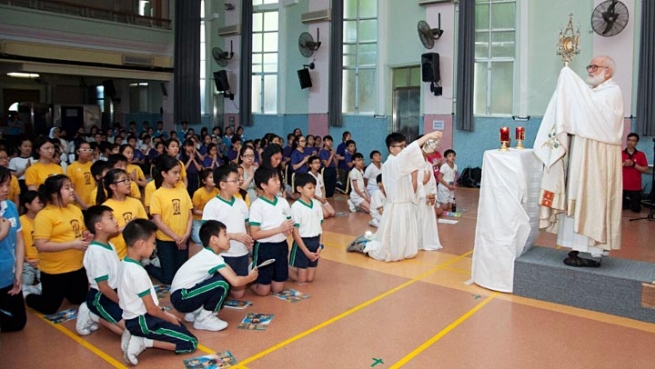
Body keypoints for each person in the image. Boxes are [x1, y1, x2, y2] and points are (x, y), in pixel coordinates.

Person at [534, 55, 624, 267]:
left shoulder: (612, 92)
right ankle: (577, 245)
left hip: (598, 158)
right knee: (577, 194)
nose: (590, 70)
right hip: (583, 154)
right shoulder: (593, 93)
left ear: (608, 71)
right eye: (589, 66)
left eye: (595, 67)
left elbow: (594, 113)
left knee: (593, 197)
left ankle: (592, 249)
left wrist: (568, 77)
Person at [119, 219, 197, 365]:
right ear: (141, 244)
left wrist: (166, 314)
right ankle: (143, 340)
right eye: (153, 243)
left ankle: (134, 333)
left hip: (136, 318)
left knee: (180, 327)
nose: (154, 247)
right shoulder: (137, 272)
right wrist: (168, 318)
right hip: (142, 320)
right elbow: (151, 309)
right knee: (190, 342)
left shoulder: (125, 263)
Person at [364, 130, 443, 262]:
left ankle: (405, 249)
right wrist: (428, 136)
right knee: (394, 241)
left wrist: (416, 180)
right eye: (400, 146)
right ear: (391, 148)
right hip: (397, 204)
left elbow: (411, 186)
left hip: (405, 203)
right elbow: (410, 152)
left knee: (406, 240)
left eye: (404, 145)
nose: (403, 149)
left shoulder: (400, 164)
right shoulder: (391, 163)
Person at [171, 220, 258, 331]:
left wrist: (248, 272)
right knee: (222, 283)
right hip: (182, 297)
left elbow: (232, 274)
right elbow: (235, 281)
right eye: (225, 234)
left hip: (182, 295)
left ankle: (193, 311)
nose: (228, 238)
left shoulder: (210, 256)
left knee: (221, 278)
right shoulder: (212, 258)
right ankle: (204, 318)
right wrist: (250, 277)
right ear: (214, 239)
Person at [26, 175, 93, 314]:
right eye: (67, 188)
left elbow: (81, 230)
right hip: (54, 271)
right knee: (49, 308)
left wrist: (87, 234)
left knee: (79, 299)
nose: (72, 191)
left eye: (71, 187)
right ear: (54, 194)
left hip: (76, 267)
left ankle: (64, 291)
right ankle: (28, 294)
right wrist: (72, 245)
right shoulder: (44, 215)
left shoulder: (75, 210)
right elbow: (41, 245)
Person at [77, 205, 128, 341]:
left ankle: (97, 315)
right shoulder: (96, 252)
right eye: (111, 218)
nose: (116, 221)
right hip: (101, 297)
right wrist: (121, 303)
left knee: (134, 326)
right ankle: (92, 314)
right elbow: (103, 287)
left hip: (114, 292)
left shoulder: (109, 245)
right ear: (99, 226)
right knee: (130, 334)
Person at [202, 165, 253, 298]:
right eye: (235, 180)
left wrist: (248, 240)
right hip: (223, 255)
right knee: (222, 290)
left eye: (239, 179)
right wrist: (232, 236)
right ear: (223, 184)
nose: (240, 182)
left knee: (239, 294)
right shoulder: (212, 206)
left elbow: (246, 226)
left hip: (241, 253)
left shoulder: (241, 203)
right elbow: (206, 234)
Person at [147, 155, 193, 284]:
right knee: (169, 279)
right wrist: (176, 237)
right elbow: (158, 221)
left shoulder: (182, 189)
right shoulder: (157, 194)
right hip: (166, 240)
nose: (179, 176)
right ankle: (148, 266)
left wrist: (186, 234)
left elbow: (189, 215)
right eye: (174, 173)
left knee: (181, 274)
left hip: (183, 237)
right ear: (164, 174)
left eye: (179, 172)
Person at [249, 167, 295, 295]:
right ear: (263, 185)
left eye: (278, 179)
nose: (278, 183)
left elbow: (289, 225)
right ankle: (250, 278)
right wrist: (279, 229)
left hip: (281, 246)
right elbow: (255, 234)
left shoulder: (283, 202)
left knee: (278, 288)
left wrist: (287, 230)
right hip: (264, 248)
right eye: (274, 180)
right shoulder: (257, 205)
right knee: (263, 291)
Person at [100, 169, 148, 259]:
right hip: (117, 255)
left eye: (128, 179)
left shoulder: (135, 202)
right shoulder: (106, 207)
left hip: (136, 253)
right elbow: (104, 234)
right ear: (113, 186)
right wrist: (126, 226)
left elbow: (145, 224)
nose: (128, 183)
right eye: (123, 180)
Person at [0, 167, 26, 332]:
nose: (5, 189)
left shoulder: (9, 206)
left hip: (8, 274)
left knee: (18, 323)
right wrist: (2, 233)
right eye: (1, 185)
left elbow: (19, 240)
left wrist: (18, 272)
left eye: (8, 185)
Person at [289, 173, 324, 284]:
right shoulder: (296, 207)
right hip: (302, 243)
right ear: (299, 189)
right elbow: (295, 233)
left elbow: (321, 227)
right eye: (309, 188)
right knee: (302, 280)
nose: (313, 190)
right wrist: (306, 252)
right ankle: (284, 269)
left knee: (309, 279)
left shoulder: (316, 204)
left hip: (315, 241)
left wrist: (320, 245)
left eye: (314, 187)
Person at [416, 151, 442, 251]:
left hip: (427, 197)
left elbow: (432, 182)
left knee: (428, 219)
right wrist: (423, 182)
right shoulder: (413, 164)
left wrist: (433, 194)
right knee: (418, 220)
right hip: (418, 198)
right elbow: (411, 184)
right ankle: (418, 241)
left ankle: (428, 241)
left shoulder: (429, 165)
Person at [20, 191, 44, 296]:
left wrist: (40, 259)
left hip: (43, 260)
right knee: (26, 281)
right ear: (27, 205)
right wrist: (26, 259)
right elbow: (17, 244)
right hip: (26, 261)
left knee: (48, 281)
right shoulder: (20, 221)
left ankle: (34, 291)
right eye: (38, 202)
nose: (42, 204)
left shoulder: (44, 219)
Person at [191, 168, 219, 249]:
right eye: (210, 177)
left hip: (212, 220)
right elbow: (195, 211)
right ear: (204, 181)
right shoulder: (198, 193)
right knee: (200, 240)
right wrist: (208, 213)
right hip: (199, 220)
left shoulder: (217, 191)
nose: (213, 179)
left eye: (214, 177)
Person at [622, 133, 649, 213]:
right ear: (626, 141)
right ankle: (626, 202)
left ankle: (630, 203)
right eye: (629, 140)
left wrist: (633, 164)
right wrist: (624, 164)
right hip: (622, 186)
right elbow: (614, 167)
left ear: (636, 142)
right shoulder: (620, 153)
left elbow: (645, 169)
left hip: (635, 186)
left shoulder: (641, 154)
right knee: (620, 208)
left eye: (633, 140)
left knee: (636, 210)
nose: (630, 142)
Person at [67, 141, 95, 209]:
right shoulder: (71, 167)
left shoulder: (93, 166)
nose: (88, 152)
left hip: (93, 204)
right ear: (78, 152)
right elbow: (72, 189)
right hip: (78, 206)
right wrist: (83, 205)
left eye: (89, 149)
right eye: (84, 149)